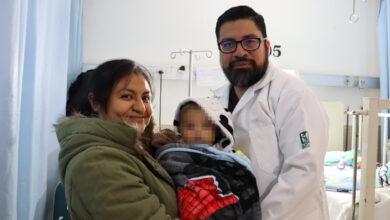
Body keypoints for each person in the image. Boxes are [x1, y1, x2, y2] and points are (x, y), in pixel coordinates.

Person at [213, 5, 329, 220]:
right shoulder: (214, 101)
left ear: (266, 45)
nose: (239, 52)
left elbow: (304, 170)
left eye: (249, 41)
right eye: (228, 44)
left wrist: (259, 217)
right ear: (220, 51)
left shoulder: (293, 95)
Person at [56, 59, 178, 219]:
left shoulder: (134, 148)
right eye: (127, 96)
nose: (141, 107)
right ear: (95, 102)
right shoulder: (96, 164)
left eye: (146, 98)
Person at [153, 97, 261, 220]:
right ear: (180, 129)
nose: (198, 132)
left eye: (205, 126)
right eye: (190, 126)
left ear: (216, 130)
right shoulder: (176, 152)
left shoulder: (229, 155)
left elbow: (243, 176)